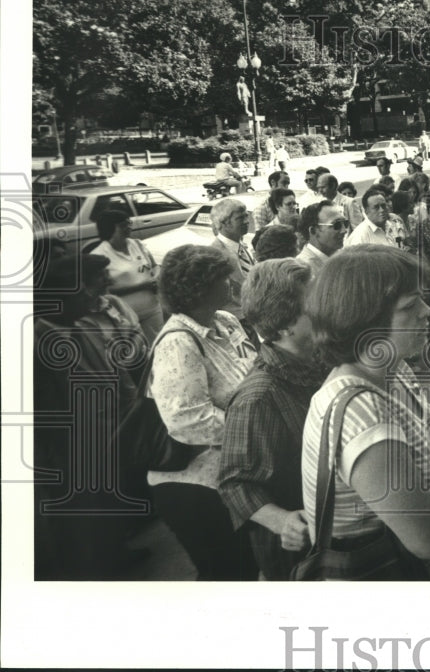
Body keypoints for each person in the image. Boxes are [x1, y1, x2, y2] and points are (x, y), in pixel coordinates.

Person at [302, 245, 430, 580]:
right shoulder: (363, 414)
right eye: (410, 306)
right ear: (364, 320)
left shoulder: (394, 370)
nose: (427, 310)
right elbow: (425, 540)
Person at [33, 254, 150, 579]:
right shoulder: (41, 341)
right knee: (82, 522)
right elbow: (49, 416)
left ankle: (116, 557)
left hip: (106, 435)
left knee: (107, 511)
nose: (90, 297)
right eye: (81, 292)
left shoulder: (78, 327)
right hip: (74, 453)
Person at [147, 245, 259, 580]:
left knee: (246, 564)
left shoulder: (224, 320)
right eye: (222, 278)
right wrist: (255, 430)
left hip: (231, 472)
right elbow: (187, 420)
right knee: (226, 571)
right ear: (198, 288)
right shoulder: (178, 343)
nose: (230, 283)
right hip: (195, 485)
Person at [219, 259, 326, 581]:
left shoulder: (319, 361)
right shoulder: (258, 398)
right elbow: (235, 482)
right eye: (315, 303)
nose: (327, 308)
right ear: (284, 325)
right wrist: (281, 521)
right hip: (301, 557)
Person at [92, 208, 164, 341]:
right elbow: (104, 292)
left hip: (152, 309)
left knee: (159, 343)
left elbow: (154, 266)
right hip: (125, 315)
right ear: (109, 228)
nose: (128, 227)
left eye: (128, 223)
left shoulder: (137, 244)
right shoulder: (99, 255)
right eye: (122, 225)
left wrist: (156, 278)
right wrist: (141, 286)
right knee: (137, 350)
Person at [296, 201, 349, 277]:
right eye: (336, 225)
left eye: (345, 223)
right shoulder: (304, 269)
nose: (344, 230)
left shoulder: (343, 257)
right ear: (313, 231)